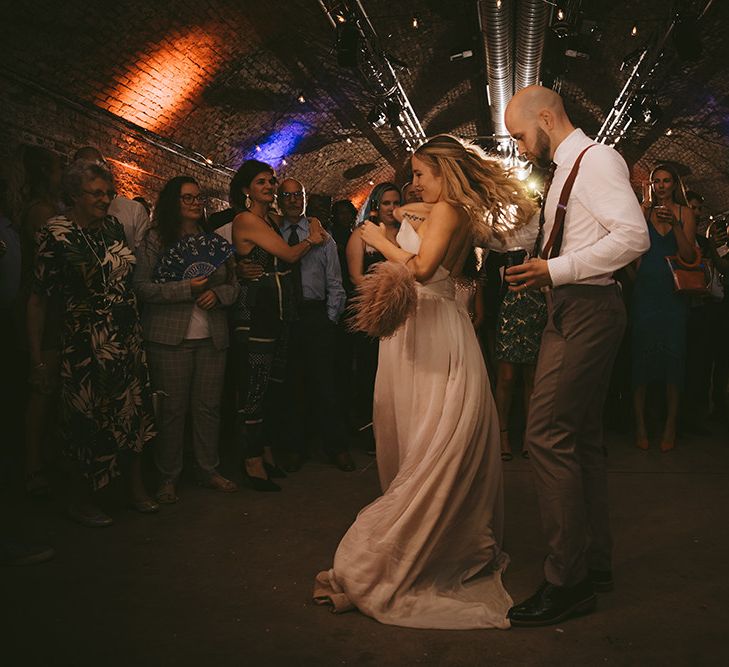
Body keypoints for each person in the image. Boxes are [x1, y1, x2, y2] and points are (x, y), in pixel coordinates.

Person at [314, 134, 535, 629]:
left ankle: (421, 543)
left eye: (420, 174)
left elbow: (423, 268)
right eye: (412, 174)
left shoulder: (451, 212)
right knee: (409, 430)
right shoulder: (432, 208)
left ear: (446, 174)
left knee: (436, 437)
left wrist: (379, 240)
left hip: (433, 325)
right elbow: (424, 232)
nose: (412, 184)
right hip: (413, 327)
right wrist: (406, 213)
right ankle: (420, 533)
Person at [503, 85, 649, 626]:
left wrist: (554, 271)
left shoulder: (598, 160)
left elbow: (634, 237)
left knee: (545, 434)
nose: (520, 146)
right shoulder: (566, 169)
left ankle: (568, 583)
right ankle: (595, 563)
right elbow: (553, 237)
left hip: (587, 306)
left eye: (520, 134)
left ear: (545, 117)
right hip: (571, 306)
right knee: (582, 437)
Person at [27, 159, 157, 526]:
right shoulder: (55, 233)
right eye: (96, 193)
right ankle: (81, 498)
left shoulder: (114, 228)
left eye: (108, 193)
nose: (104, 199)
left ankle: (133, 488)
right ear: (74, 195)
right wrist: (37, 357)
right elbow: (38, 299)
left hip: (126, 338)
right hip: (85, 343)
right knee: (85, 419)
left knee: (131, 414)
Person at [134, 176, 239, 504]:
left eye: (198, 198)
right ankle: (168, 477)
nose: (195, 203)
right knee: (172, 410)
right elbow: (142, 287)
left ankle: (208, 469)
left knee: (208, 408)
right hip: (169, 339)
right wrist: (186, 289)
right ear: (172, 202)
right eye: (187, 198)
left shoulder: (212, 241)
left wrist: (218, 294)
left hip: (212, 337)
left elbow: (234, 285)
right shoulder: (155, 240)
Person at [230, 160, 326, 491]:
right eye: (261, 183)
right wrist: (312, 240)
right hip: (255, 311)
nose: (270, 187)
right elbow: (287, 255)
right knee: (254, 385)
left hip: (277, 310)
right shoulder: (246, 220)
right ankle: (251, 458)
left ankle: (265, 450)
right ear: (246, 190)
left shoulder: (269, 218)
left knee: (271, 384)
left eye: (271, 181)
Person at [274, 178, 352, 472]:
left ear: (305, 198)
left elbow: (335, 282)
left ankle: (336, 447)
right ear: (279, 200)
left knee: (325, 383)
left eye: (299, 195)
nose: (294, 200)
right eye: (288, 196)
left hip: (315, 314)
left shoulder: (323, 236)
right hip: (285, 316)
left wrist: (330, 319)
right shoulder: (273, 232)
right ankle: (295, 447)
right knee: (291, 384)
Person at [6, 145, 63, 497]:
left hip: (42, 299)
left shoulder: (37, 209)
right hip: (43, 303)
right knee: (42, 384)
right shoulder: (42, 212)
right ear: (46, 174)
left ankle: (38, 460)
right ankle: (33, 465)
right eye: (58, 169)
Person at [632, 164, 697, 452]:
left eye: (666, 181)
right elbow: (632, 250)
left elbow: (687, 254)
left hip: (672, 294)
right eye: (656, 181)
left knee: (674, 358)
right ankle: (641, 426)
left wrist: (676, 226)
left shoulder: (685, 213)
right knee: (640, 359)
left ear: (674, 184)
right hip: (645, 292)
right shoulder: (642, 213)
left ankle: (670, 425)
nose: (661, 186)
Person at [345, 183, 401, 432]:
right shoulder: (362, 233)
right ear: (377, 205)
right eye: (387, 203)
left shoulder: (407, 232)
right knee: (371, 369)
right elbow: (355, 277)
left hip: (402, 308)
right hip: (373, 308)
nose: (392, 208)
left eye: (396, 202)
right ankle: (370, 427)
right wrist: (383, 291)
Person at [72, 147, 150, 251]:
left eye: (100, 167)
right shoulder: (61, 224)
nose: (106, 200)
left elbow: (140, 260)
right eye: (96, 193)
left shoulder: (118, 222)